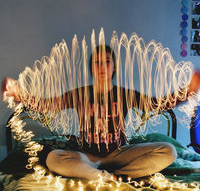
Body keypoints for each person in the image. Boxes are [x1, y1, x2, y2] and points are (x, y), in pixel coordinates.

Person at [3, 45, 200, 182]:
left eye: (107, 62)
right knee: (53, 158)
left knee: (169, 150)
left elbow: (158, 105)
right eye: (97, 62)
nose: (102, 66)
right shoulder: (80, 94)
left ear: (113, 67)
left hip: (121, 153)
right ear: (92, 67)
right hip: (86, 156)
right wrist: (20, 94)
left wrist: (188, 91)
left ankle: (121, 176)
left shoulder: (124, 94)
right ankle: (104, 178)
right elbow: (47, 105)